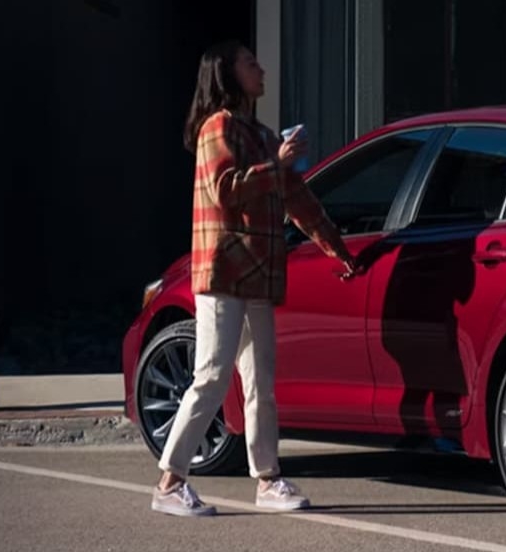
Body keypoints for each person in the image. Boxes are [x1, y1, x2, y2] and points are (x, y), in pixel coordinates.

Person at [151, 40, 360, 517]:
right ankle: (169, 482)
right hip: (224, 272)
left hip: (260, 278)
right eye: (251, 64)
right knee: (211, 375)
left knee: (260, 381)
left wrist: (338, 249)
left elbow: (299, 201)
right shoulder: (217, 128)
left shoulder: (264, 135)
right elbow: (224, 190)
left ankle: (268, 480)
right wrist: (278, 164)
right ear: (227, 74)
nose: (261, 70)